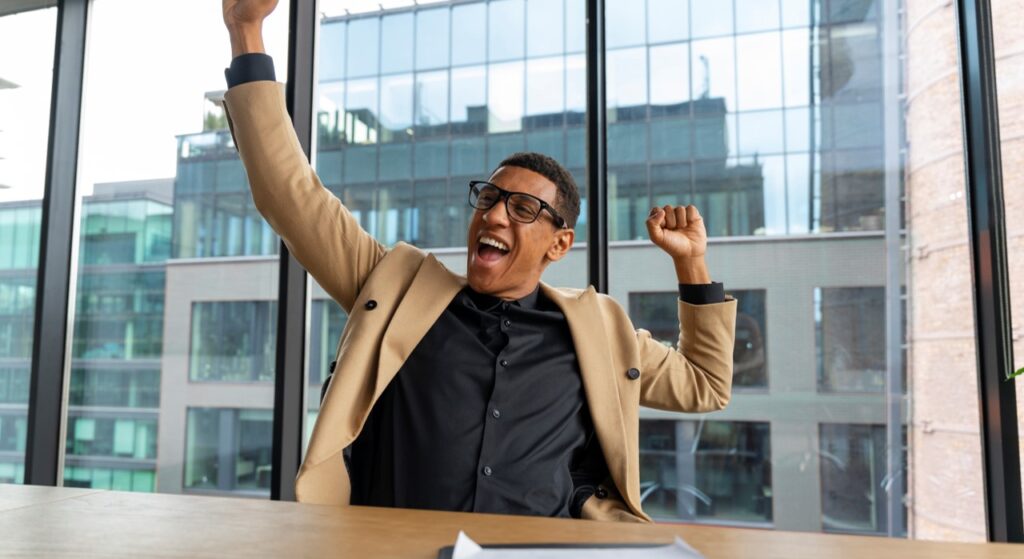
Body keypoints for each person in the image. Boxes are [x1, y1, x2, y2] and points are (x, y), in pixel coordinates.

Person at [221, 0, 736, 523]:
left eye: (523, 209)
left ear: (559, 245)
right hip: (393, 557)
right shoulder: (396, 289)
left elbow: (705, 386)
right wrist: (246, 31)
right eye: (489, 198)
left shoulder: (600, 332)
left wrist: (691, 264)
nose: (493, 216)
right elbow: (292, 196)